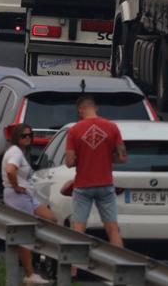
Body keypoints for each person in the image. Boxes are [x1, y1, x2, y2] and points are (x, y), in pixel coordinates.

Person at [65, 95, 127, 276]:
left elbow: (69, 161)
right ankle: (122, 269)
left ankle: (73, 272)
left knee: (78, 229)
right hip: (105, 184)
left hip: (83, 185)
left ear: (80, 110)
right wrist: (107, 156)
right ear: (96, 108)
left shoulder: (75, 130)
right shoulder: (112, 127)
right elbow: (123, 157)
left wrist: (80, 158)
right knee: (113, 228)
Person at [2, 123, 57, 285]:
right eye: (23, 136)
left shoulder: (21, 152)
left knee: (51, 218)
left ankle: (38, 251)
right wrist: (16, 186)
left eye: (30, 135)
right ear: (16, 137)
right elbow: (11, 170)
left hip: (28, 196)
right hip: (18, 196)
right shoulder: (15, 152)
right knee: (24, 234)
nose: (27, 138)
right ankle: (29, 273)